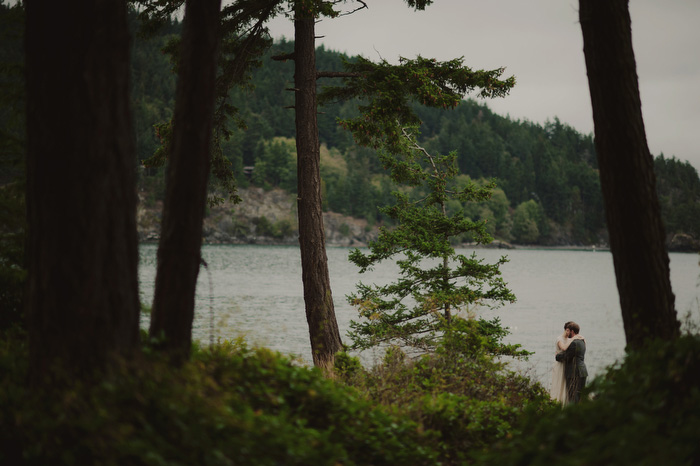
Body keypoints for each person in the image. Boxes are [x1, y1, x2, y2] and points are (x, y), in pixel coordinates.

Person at [555, 321, 588, 404]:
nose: (567, 333)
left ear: (572, 331)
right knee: (580, 396)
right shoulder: (582, 341)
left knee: (573, 396)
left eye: (568, 331)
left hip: (574, 372)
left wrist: (557, 356)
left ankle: (574, 415)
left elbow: (567, 356)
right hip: (583, 371)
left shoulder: (574, 343)